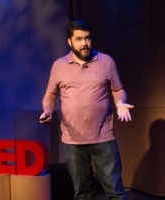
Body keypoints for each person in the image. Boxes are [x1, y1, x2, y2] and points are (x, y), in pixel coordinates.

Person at [39, 20, 134, 200]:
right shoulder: (59, 65)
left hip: (103, 137)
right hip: (72, 140)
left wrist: (121, 103)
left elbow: (118, 89)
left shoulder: (106, 61)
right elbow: (50, 95)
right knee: (82, 194)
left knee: (115, 192)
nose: (84, 43)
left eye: (88, 38)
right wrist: (47, 111)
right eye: (79, 39)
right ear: (70, 42)